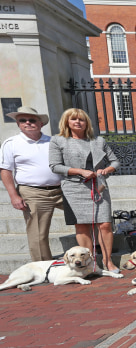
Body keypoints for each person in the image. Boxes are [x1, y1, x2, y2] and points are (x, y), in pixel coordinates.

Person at [49, 108, 120, 272]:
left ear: (86, 122)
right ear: (67, 122)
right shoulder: (58, 141)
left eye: (81, 119)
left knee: (105, 224)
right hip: (73, 188)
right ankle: (91, 263)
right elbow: (55, 166)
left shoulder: (98, 141)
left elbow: (115, 162)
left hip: (98, 186)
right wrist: (80, 171)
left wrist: (106, 170)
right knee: (82, 226)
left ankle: (108, 262)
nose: (78, 122)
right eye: (73, 119)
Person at [0, 106, 63, 261]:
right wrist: (14, 196)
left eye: (32, 120)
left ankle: (92, 253)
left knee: (86, 218)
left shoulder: (53, 141)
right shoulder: (11, 143)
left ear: (41, 123)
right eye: (23, 120)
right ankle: (43, 267)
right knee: (38, 233)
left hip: (62, 190)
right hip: (33, 192)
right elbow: (5, 170)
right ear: (18, 124)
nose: (27, 123)